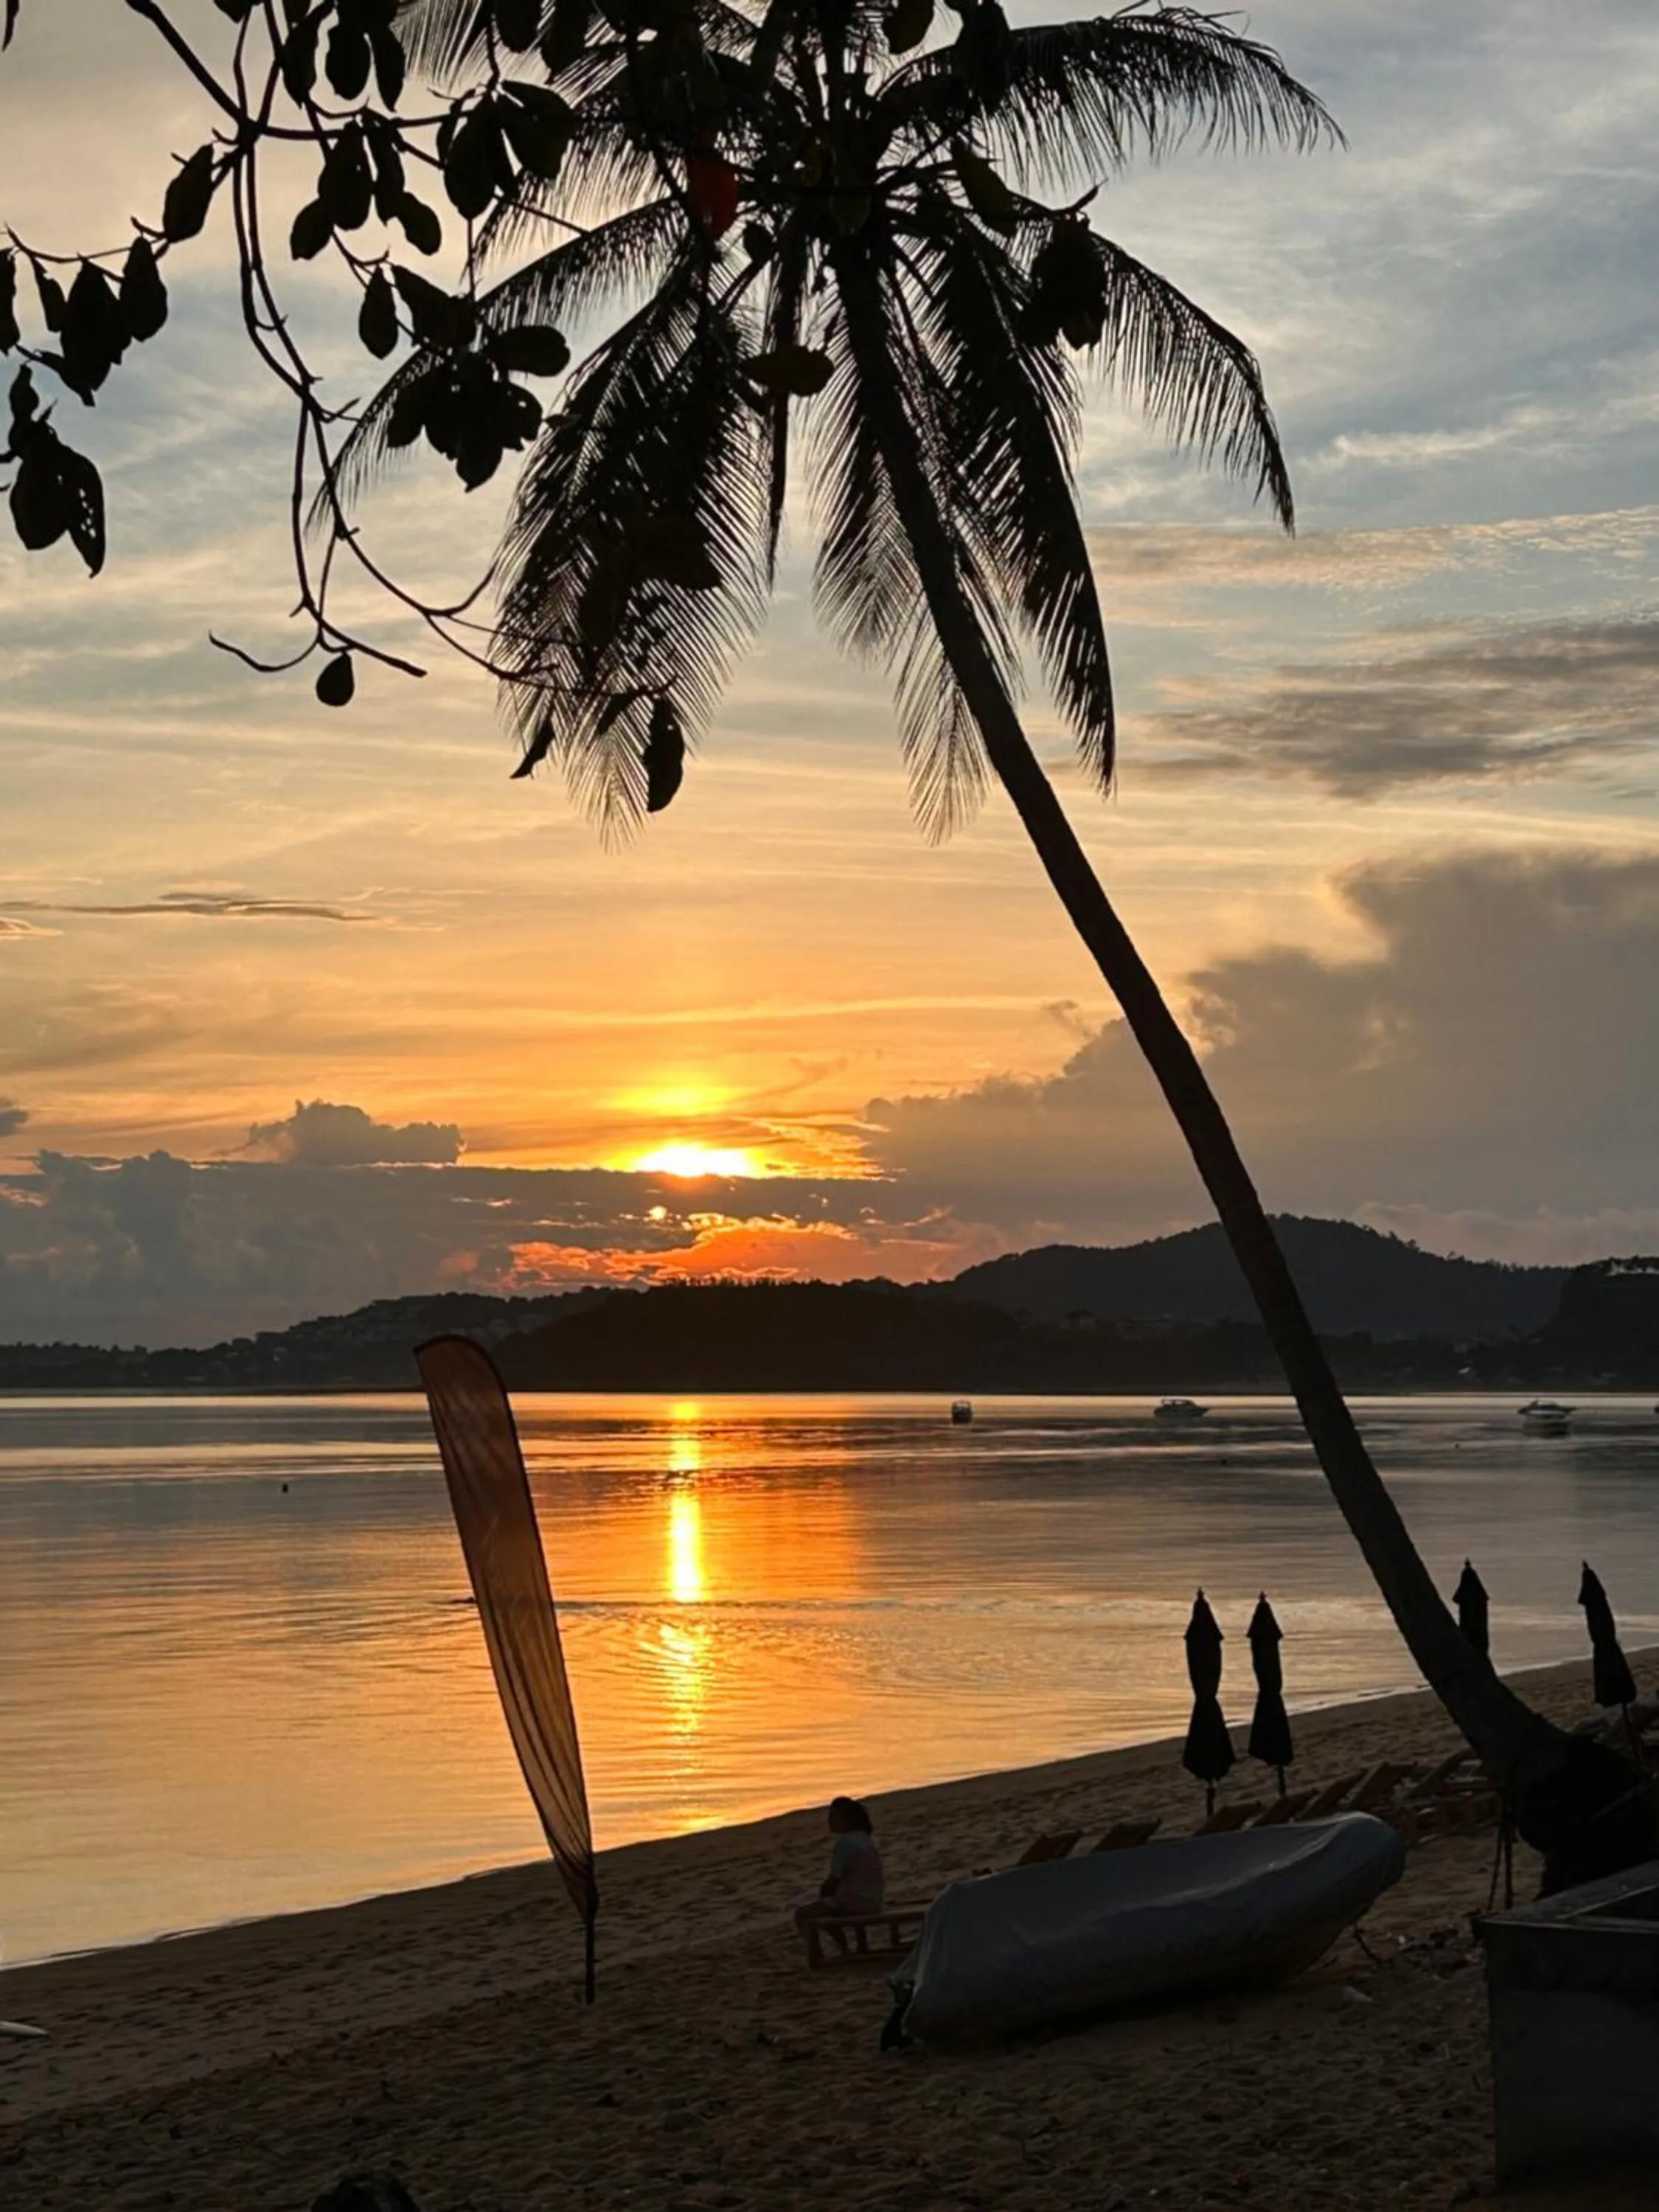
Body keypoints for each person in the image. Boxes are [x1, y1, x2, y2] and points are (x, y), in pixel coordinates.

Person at [793, 1795, 884, 1934]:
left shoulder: (845, 1843)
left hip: (852, 1903)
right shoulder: (865, 1838)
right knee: (828, 1902)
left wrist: (824, 1892)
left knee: (802, 1914)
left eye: (833, 1817)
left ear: (845, 1820)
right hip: (873, 1901)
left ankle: (832, 1950)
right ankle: (852, 1947)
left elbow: (834, 1879)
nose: (829, 1821)